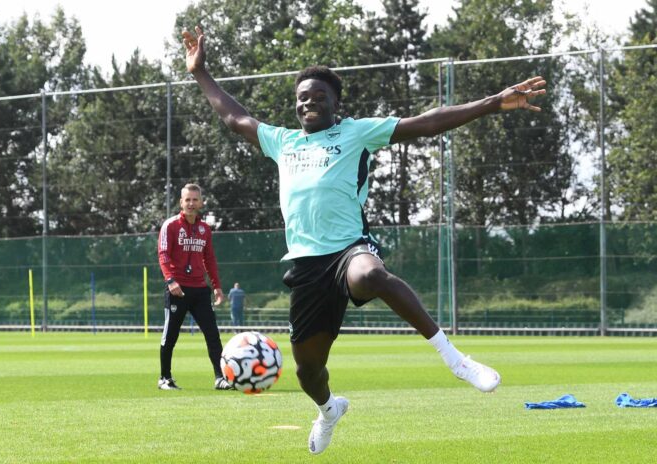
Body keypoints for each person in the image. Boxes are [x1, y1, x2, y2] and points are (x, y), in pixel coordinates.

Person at [182, 26, 546, 453]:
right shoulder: (282, 142)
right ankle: (329, 410)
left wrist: (490, 104)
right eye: (303, 98)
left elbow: (426, 124)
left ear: (337, 104)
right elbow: (233, 117)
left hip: (348, 249)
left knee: (371, 274)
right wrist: (200, 72)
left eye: (319, 97)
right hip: (305, 264)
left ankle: (456, 360)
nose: (309, 103)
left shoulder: (357, 132)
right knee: (308, 372)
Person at [157, 183, 234, 391]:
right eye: (187, 200)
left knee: (212, 334)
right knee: (170, 335)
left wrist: (217, 286)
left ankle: (220, 378)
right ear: (181, 202)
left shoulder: (205, 229)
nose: (191, 203)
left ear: (201, 202)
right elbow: (163, 255)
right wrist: (170, 280)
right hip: (177, 290)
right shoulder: (170, 226)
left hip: (200, 290)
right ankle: (165, 378)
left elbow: (210, 259)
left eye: (195, 199)